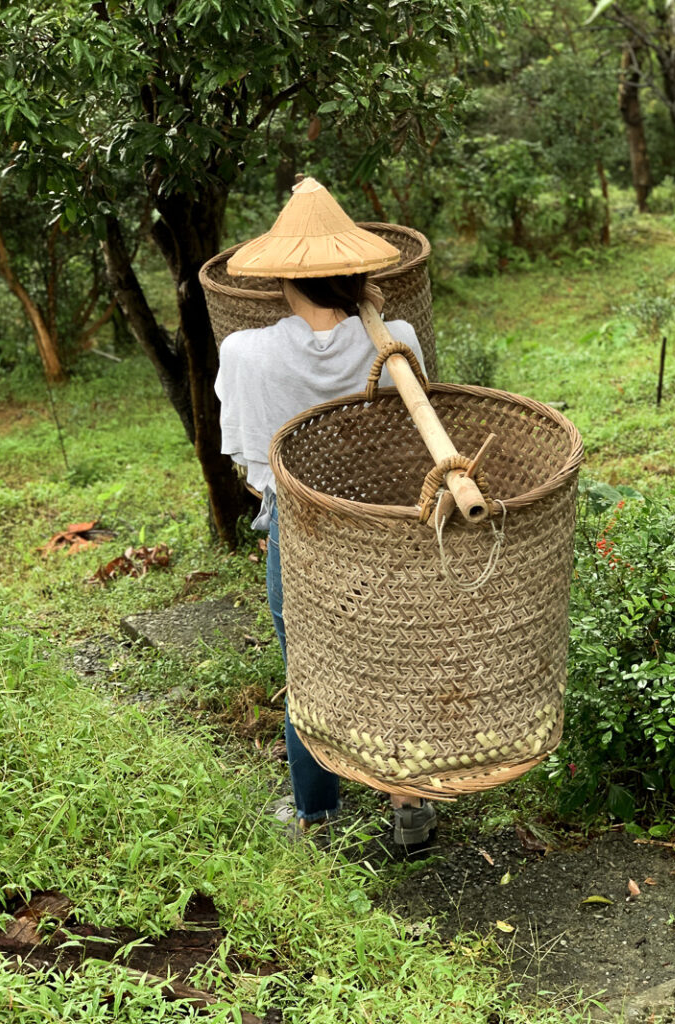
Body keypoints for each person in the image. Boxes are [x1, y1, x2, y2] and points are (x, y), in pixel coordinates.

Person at [214, 178, 437, 845]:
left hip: (304, 528)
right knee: (396, 659)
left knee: (311, 665)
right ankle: (409, 804)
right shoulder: (393, 337)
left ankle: (317, 812)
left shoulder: (243, 352)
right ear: (358, 273)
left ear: (285, 276)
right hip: (390, 527)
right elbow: (411, 432)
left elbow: (247, 459)